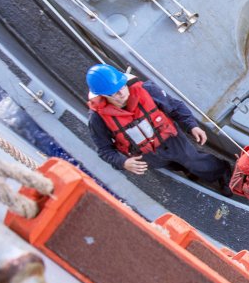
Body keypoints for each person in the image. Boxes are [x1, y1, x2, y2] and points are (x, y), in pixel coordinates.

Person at [86, 63, 231, 195]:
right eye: (114, 93)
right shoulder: (97, 119)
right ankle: (190, 172)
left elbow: (175, 107)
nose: (122, 94)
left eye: (122, 86)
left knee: (193, 160)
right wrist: (123, 162)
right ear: (103, 96)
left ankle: (222, 171)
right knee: (176, 166)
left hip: (171, 140)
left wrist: (191, 125)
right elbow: (104, 149)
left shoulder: (147, 90)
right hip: (146, 155)